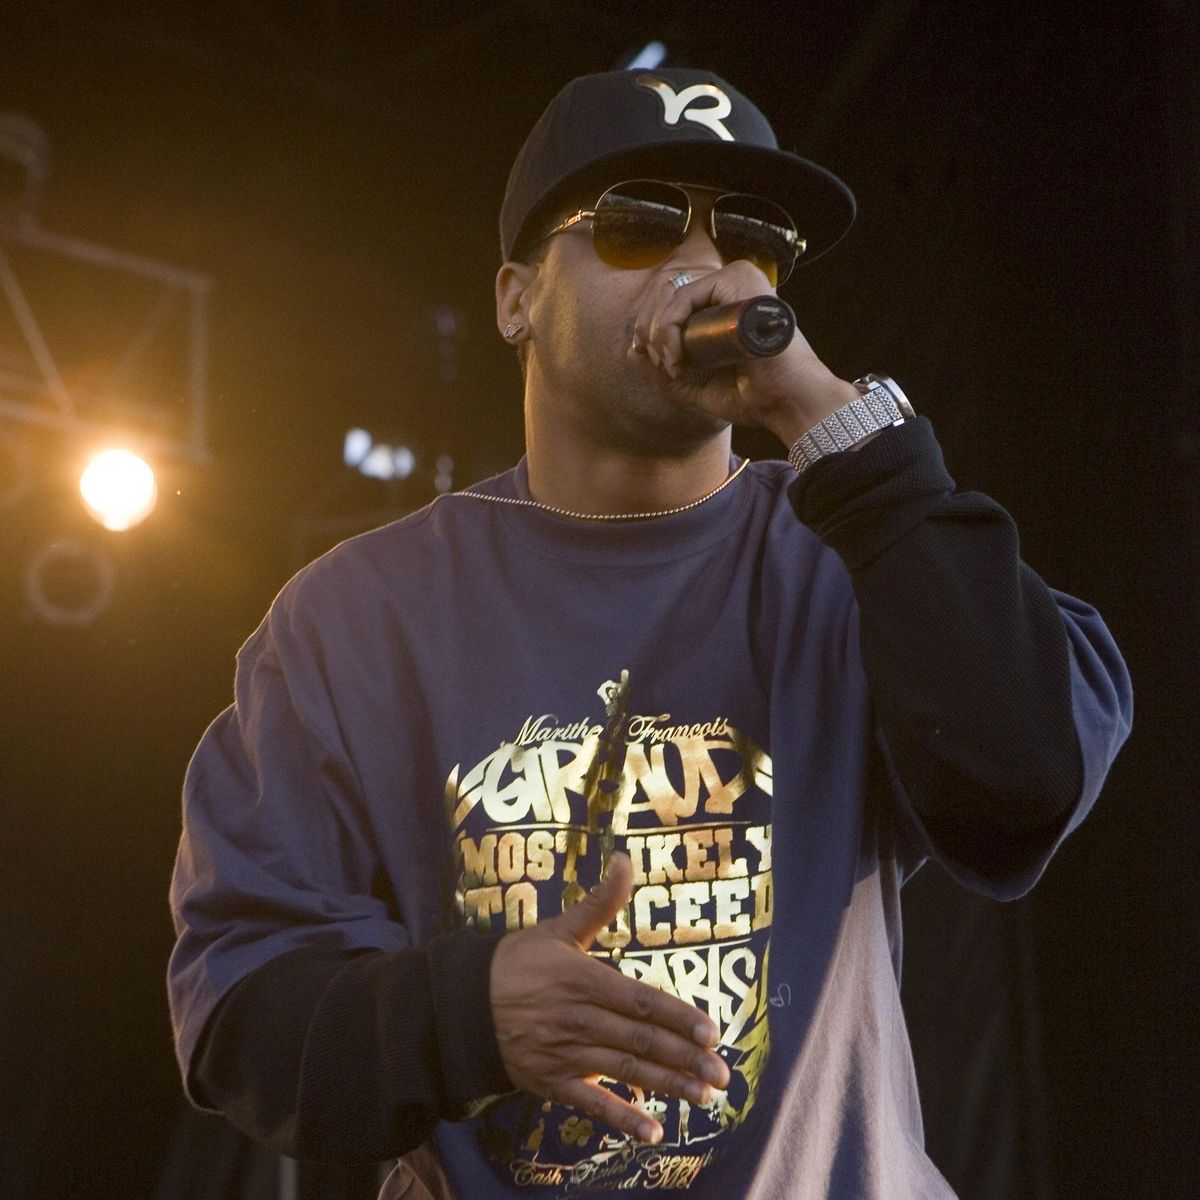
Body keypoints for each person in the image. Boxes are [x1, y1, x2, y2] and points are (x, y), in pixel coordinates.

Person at [168, 68, 1132, 1199]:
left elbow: (1026, 779)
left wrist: (835, 425)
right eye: (638, 223)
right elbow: (241, 1015)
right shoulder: (353, 618)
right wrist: (466, 1017)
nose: (705, 267)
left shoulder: (856, 553)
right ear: (516, 300)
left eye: (753, 239)